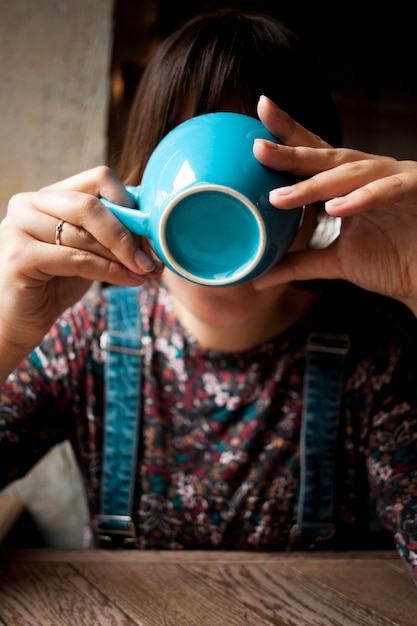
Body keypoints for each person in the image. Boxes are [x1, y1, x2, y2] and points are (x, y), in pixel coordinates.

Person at [1, 8, 417, 582]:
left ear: (318, 184)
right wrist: (7, 332)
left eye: (265, 151)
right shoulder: (88, 337)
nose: (226, 190)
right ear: (143, 177)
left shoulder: (373, 351)